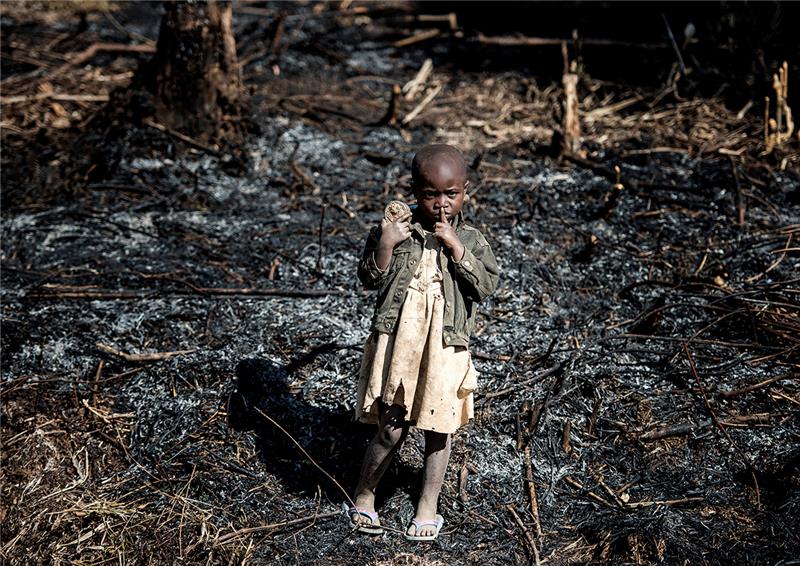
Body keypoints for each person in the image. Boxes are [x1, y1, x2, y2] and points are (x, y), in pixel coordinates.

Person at [346, 144, 499, 541]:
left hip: (445, 346)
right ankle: (364, 495)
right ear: (415, 191)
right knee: (392, 426)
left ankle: (427, 506)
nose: (441, 204)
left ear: (466, 191)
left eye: (451, 194)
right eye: (431, 194)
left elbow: (486, 286)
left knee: (438, 428)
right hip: (402, 341)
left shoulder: (471, 238)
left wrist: (456, 247)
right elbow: (370, 279)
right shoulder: (396, 231)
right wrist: (385, 243)